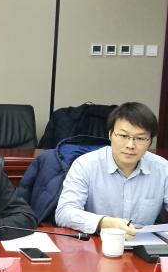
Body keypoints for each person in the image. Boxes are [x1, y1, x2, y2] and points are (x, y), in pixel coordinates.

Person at [55, 102, 168, 238]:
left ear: (150, 141)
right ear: (110, 135)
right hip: (98, 242)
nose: (130, 145)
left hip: (145, 245)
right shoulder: (85, 165)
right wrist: (104, 223)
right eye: (123, 136)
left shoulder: (163, 169)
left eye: (140, 138)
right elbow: (64, 212)